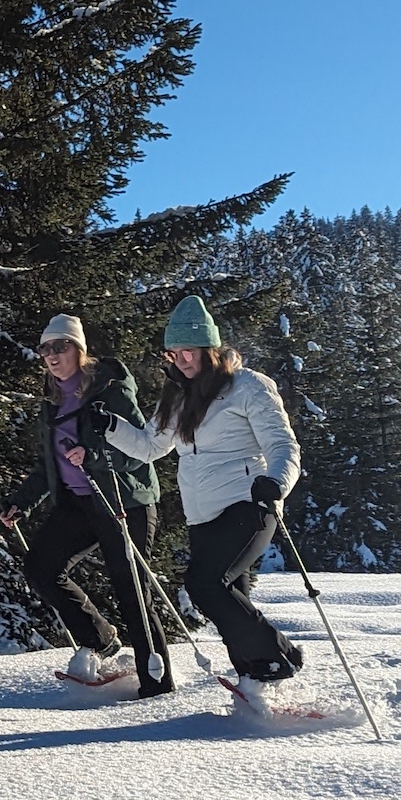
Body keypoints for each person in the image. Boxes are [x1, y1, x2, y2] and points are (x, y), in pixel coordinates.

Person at [92, 294, 304, 694]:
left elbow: (283, 445)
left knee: (205, 583)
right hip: (202, 515)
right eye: (173, 353)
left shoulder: (248, 387)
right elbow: (152, 447)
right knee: (229, 603)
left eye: (187, 351)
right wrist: (110, 425)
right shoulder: (178, 396)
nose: (181, 360)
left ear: (210, 348)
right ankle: (256, 684)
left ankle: (279, 657)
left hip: (249, 502)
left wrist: (275, 483)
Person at [0, 314, 173, 695]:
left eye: (60, 347)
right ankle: (102, 639)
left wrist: (91, 453)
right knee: (42, 568)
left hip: (124, 500)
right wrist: (21, 503)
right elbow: (49, 466)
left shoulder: (111, 391)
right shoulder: (53, 404)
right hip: (79, 504)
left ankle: (157, 687)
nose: (51, 356)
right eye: (45, 349)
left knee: (133, 592)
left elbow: (139, 451)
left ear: (79, 350)